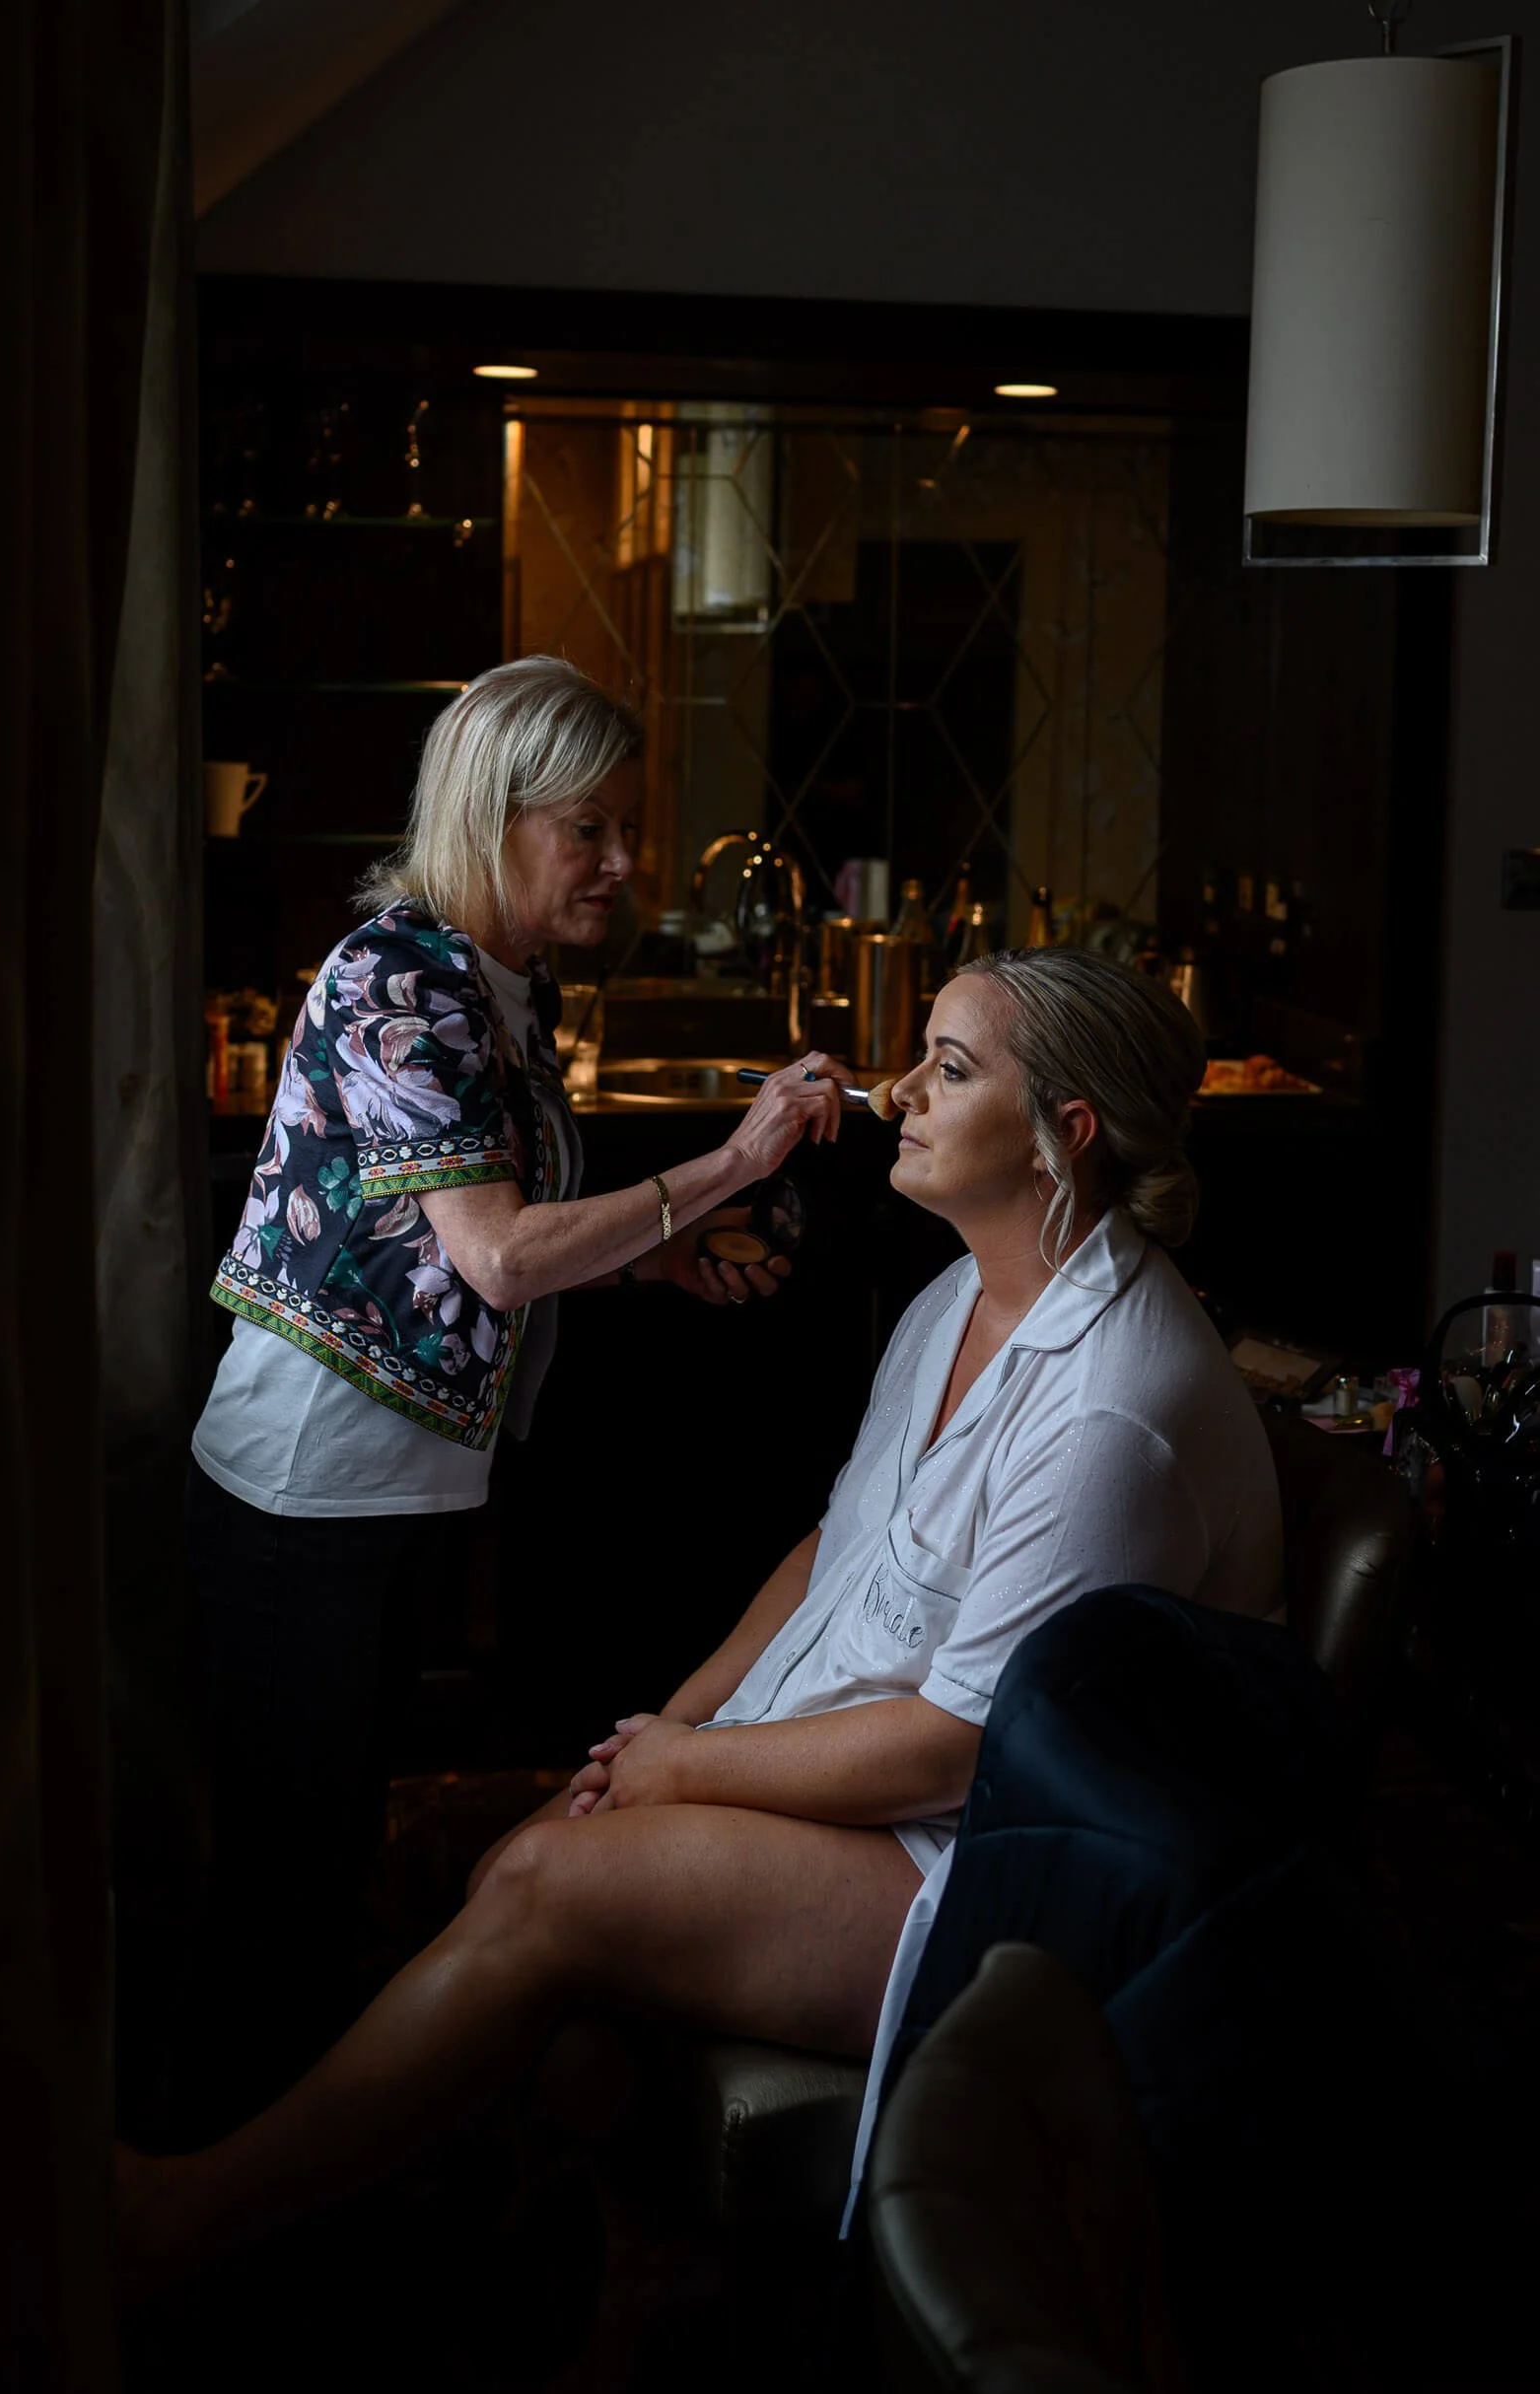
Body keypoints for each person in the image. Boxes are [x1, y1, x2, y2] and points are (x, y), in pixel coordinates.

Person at [128, 943, 1282, 2279]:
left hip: (994, 1873)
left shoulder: (1109, 1409)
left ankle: (189, 2222)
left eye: (950, 1070)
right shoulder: (964, 1289)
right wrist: (661, 1732)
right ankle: (609, 2276)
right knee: (529, 1852)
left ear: (1061, 1137)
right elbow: (833, 1545)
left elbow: (955, 1750)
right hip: (890, 1776)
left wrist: (689, 1768)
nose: (895, 1090)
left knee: (548, 1884)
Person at [181, 655, 843, 2126]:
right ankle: (225, 2193)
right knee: (285, 1880)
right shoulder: (395, 981)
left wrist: (650, 1264)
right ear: (492, 818)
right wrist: (730, 1167)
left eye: (626, 827)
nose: (622, 862)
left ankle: (292, 2158)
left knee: (331, 1846)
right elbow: (492, 1257)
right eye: (587, 829)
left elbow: (467, 1241)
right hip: (309, 1492)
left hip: (393, 1489)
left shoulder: (494, 984)